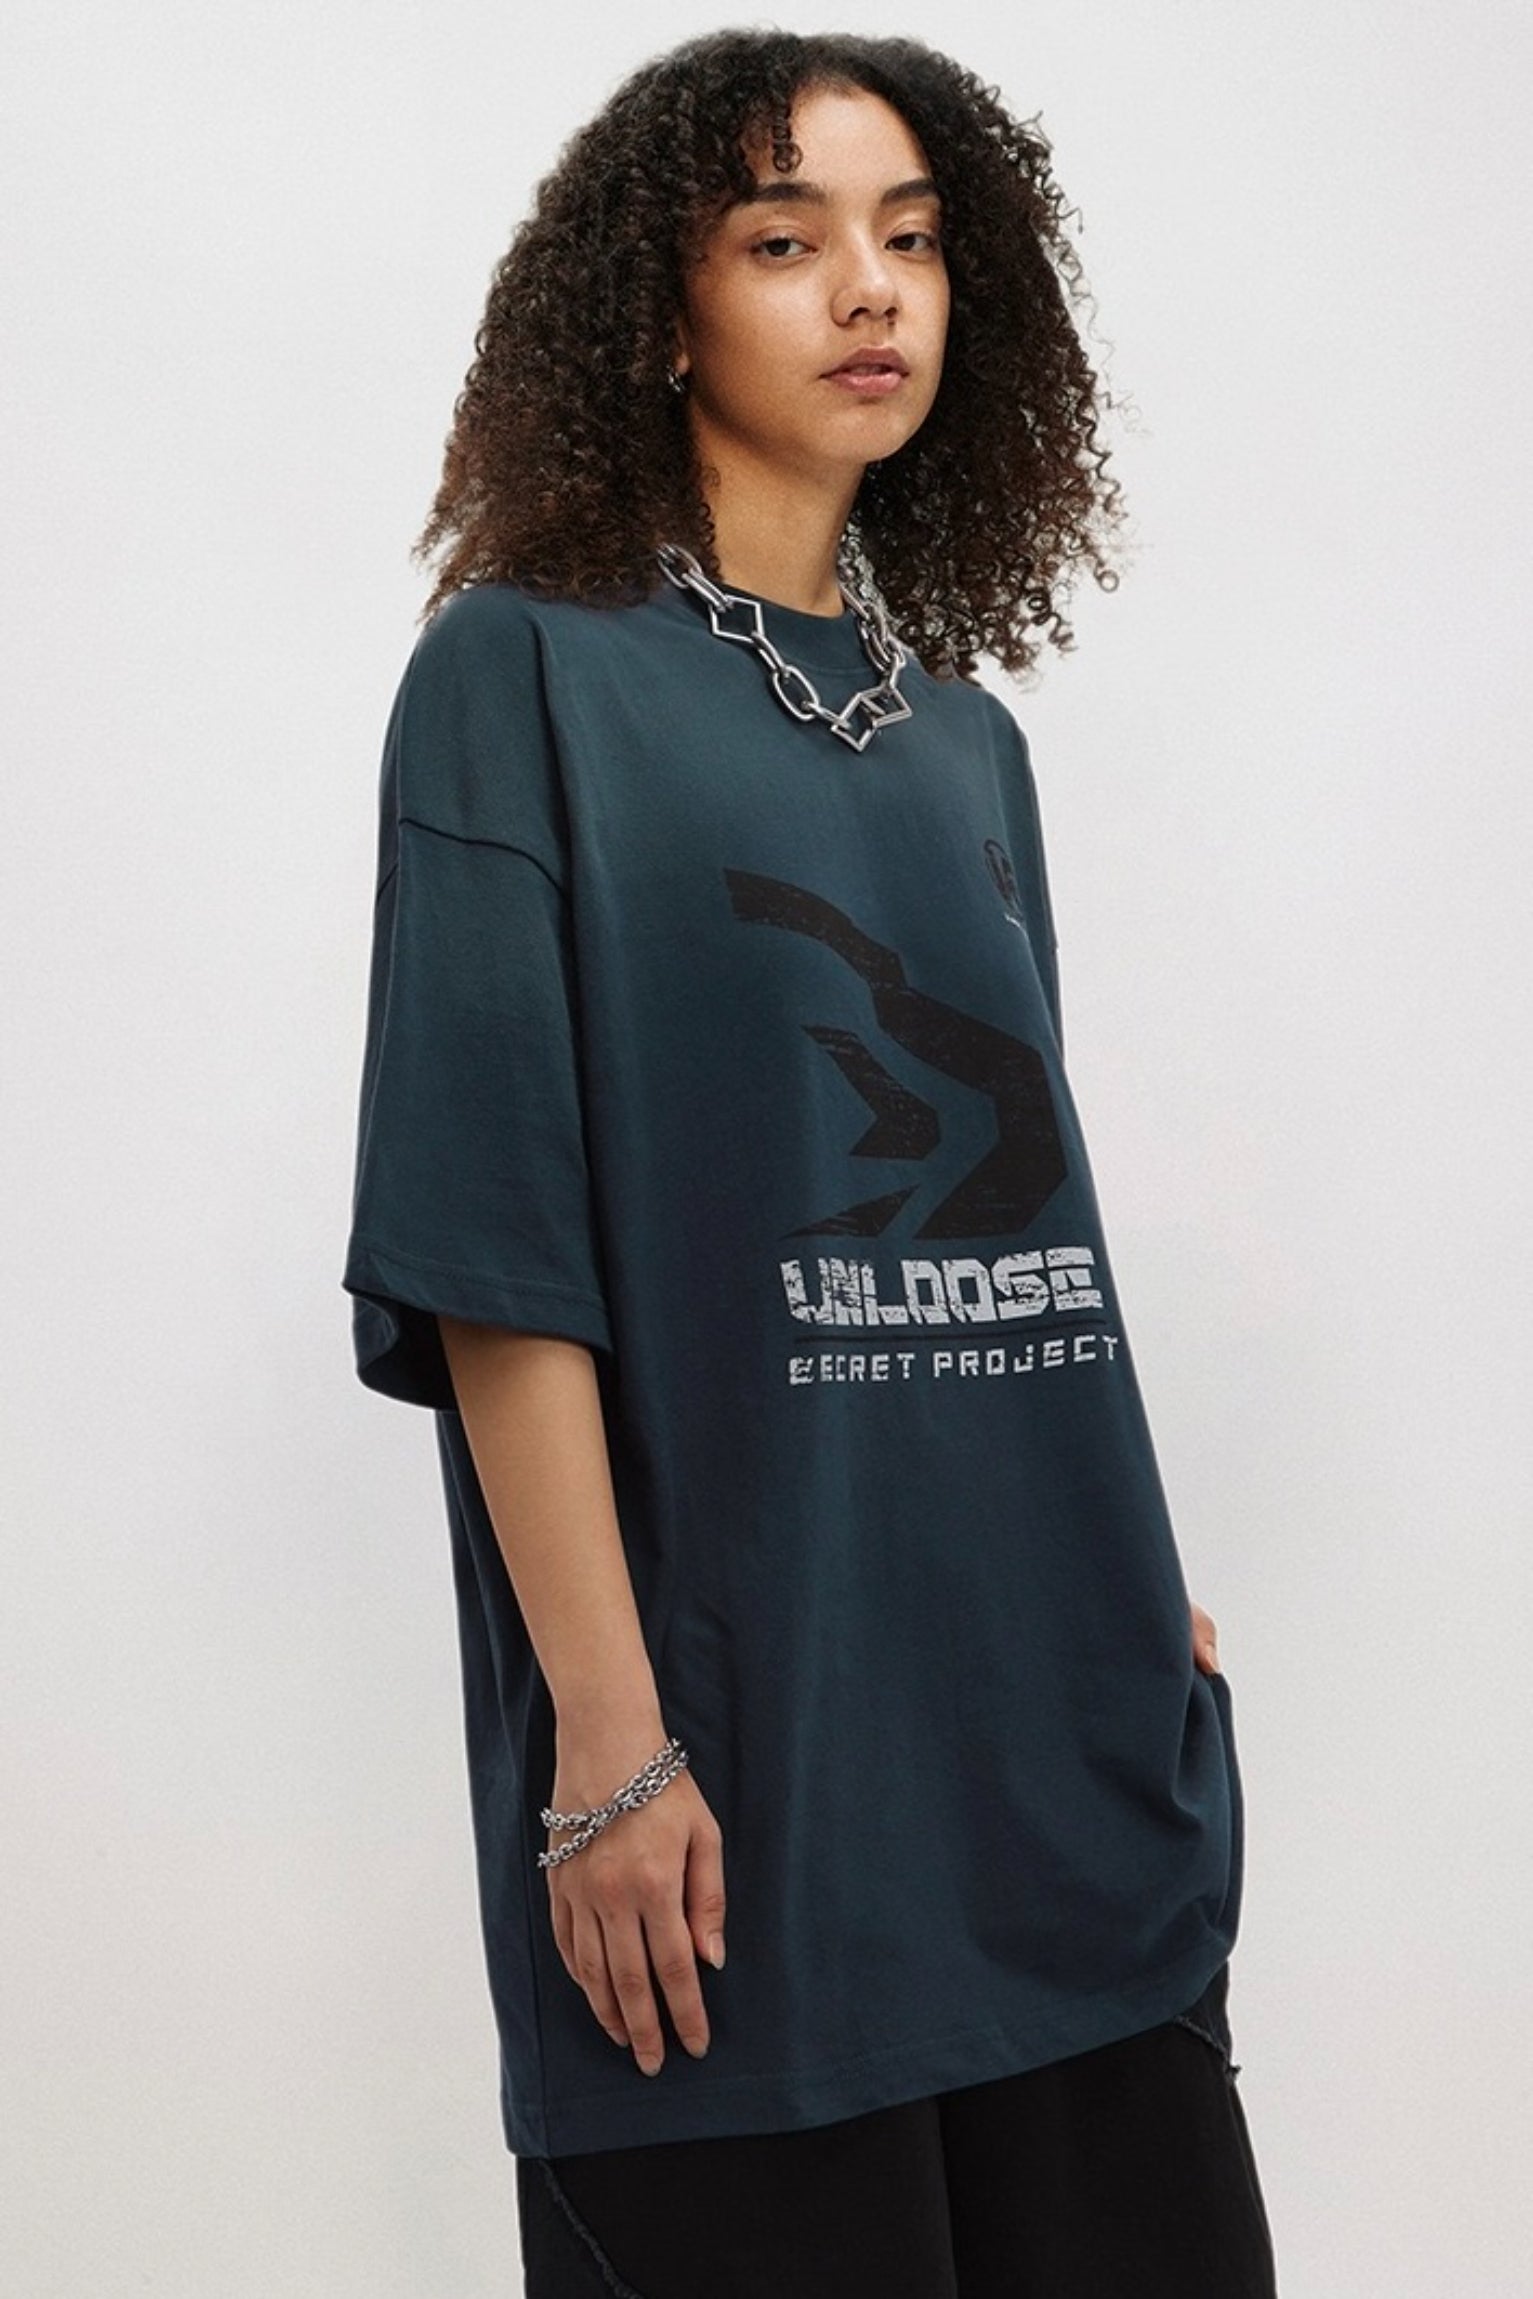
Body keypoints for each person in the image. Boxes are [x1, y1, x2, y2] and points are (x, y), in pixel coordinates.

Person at [344, 28, 1279, 2297]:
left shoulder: (965, 743)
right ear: (658, 313)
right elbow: (491, 1247)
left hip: (1060, 1750)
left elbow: (1019, 1205)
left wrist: (1127, 1582)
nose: (869, 288)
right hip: (740, 1788)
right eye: (784, 241)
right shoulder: (519, 679)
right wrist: (607, 1742)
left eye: (912, 239)